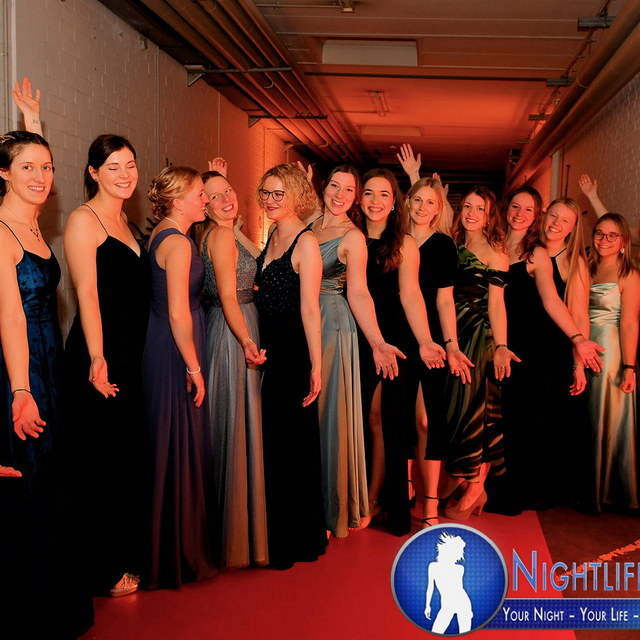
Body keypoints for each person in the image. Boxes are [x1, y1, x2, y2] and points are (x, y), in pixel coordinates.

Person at [0, 119, 93, 638]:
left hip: (48, 363)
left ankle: (56, 602)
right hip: (18, 367)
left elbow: (30, 161)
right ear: (4, 174)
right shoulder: (0, 231)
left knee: (53, 481)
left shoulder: (32, 223)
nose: (40, 176)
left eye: (48, 167)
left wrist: (32, 129)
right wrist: (20, 389)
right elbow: (10, 317)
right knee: (28, 483)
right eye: (27, 168)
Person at [62, 134, 150, 597]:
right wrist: (98, 357)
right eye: (113, 167)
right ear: (93, 173)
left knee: (125, 462)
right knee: (98, 466)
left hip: (130, 357)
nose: (124, 174)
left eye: (130, 164)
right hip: (99, 357)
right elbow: (87, 295)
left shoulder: (128, 224)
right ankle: (102, 568)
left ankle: (125, 556)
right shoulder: (84, 220)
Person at [304, 164, 404, 537]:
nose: (340, 195)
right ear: (324, 188)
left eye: (349, 189)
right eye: (335, 186)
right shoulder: (309, 225)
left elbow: (359, 293)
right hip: (302, 325)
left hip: (333, 326)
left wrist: (377, 342)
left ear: (355, 198)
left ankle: (329, 510)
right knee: (305, 418)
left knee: (328, 418)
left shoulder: (354, 237)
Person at [495, 187, 604, 513]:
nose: (556, 223)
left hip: (550, 348)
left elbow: (577, 313)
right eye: (553, 216)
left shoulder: (572, 261)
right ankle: (514, 486)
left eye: (564, 220)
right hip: (516, 341)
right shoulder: (524, 246)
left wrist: (577, 363)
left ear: (573, 227)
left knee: (541, 421)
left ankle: (536, 492)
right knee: (515, 418)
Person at [354, 168, 445, 536]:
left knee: (382, 418)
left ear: (395, 202)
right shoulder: (350, 235)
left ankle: (376, 499)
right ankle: (361, 495)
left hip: (394, 340)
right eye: (369, 193)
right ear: (360, 198)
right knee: (362, 420)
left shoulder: (404, 243)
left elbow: (411, 295)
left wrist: (424, 340)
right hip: (355, 336)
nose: (376, 201)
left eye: (384, 195)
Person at [143, 165, 216, 588]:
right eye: (199, 193)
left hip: (165, 340)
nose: (205, 200)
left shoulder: (164, 234)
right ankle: (178, 552)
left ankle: (169, 545)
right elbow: (176, 311)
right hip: (176, 346)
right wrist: (194, 367)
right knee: (177, 439)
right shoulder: (178, 242)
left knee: (170, 440)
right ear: (176, 201)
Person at [253, 163, 327, 568]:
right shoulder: (272, 235)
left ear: (297, 195)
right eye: (265, 192)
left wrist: (316, 365)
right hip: (270, 354)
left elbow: (311, 309)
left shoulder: (306, 242)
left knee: (291, 447)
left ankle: (295, 540)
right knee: (276, 446)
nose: (269, 200)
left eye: (278, 193)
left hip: (294, 356)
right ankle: (277, 534)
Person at [200, 168, 269, 567]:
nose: (226, 199)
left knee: (234, 422)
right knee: (235, 423)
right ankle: (235, 535)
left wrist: (218, 187)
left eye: (228, 191)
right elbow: (228, 295)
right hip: (234, 328)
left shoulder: (224, 231)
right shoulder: (221, 236)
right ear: (203, 204)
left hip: (233, 324)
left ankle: (231, 530)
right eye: (214, 196)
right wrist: (245, 340)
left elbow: (253, 254)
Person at [442, 187, 519, 519]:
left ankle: (475, 486)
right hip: (452, 335)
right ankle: (465, 479)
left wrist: (501, 347)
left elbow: (497, 305)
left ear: (490, 217)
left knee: (477, 414)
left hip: (477, 338)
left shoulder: (495, 252)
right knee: (455, 412)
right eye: (467, 206)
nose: (472, 213)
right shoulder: (454, 243)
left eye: (480, 209)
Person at [404, 177, 474, 528]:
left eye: (430, 202)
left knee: (426, 421)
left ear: (439, 209)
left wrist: (451, 344)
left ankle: (430, 501)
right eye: (418, 200)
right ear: (407, 201)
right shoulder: (393, 238)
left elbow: (445, 300)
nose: (422, 208)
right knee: (396, 418)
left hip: (430, 340)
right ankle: (403, 490)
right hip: (393, 337)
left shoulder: (443, 245)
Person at [586, 213, 639, 511]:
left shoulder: (628, 274)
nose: (604, 240)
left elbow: (629, 323)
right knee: (587, 415)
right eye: (599, 233)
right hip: (581, 347)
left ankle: (608, 490)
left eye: (612, 235)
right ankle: (585, 485)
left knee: (607, 415)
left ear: (623, 241)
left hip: (610, 351)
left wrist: (629, 367)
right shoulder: (587, 266)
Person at [425, 532, 473, 634]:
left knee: (465, 633)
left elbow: (459, 588)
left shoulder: (460, 568)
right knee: (436, 631)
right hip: (447, 605)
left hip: (462, 603)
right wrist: (427, 605)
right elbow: (430, 587)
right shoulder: (433, 566)